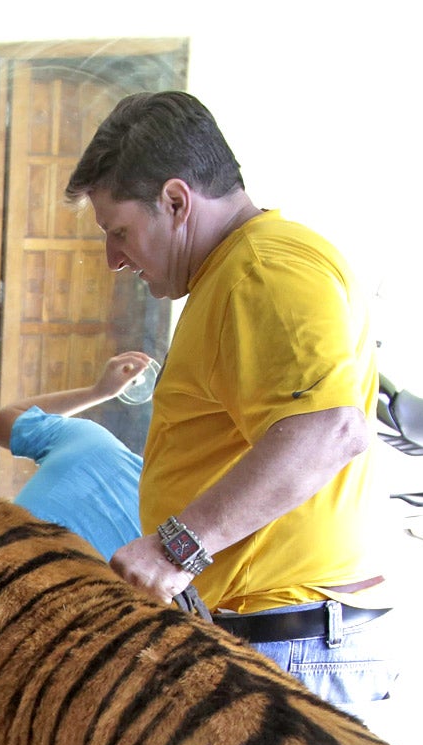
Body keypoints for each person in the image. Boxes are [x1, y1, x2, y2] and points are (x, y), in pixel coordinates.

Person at [65, 91, 390, 711]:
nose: (112, 259)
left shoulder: (262, 270)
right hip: (280, 637)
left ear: (176, 201)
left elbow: (328, 429)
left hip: (291, 642)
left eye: (120, 232)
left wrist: (174, 549)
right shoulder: (243, 269)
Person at [0, 351, 149, 561]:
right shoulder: (177, 555)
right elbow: (1, 423)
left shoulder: (93, 443)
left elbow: (1, 422)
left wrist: (98, 392)